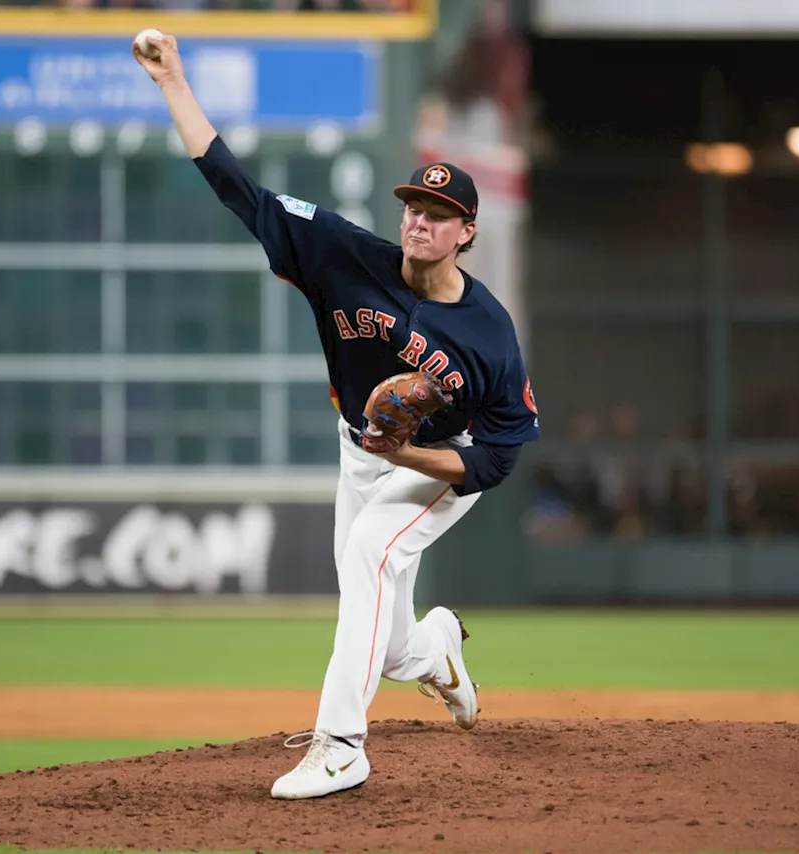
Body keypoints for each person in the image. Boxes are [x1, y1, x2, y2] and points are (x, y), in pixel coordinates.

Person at [133, 31, 540, 799]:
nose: (420, 220)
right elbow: (236, 188)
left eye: (439, 212)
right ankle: (436, 652)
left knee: (367, 553)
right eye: (415, 204)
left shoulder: (490, 336)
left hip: (440, 460)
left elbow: (498, 459)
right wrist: (173, 83)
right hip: (360, 449)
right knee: (381, 631)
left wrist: (408, 455)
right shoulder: (342, 254)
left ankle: (342, 745)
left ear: (467, 233)